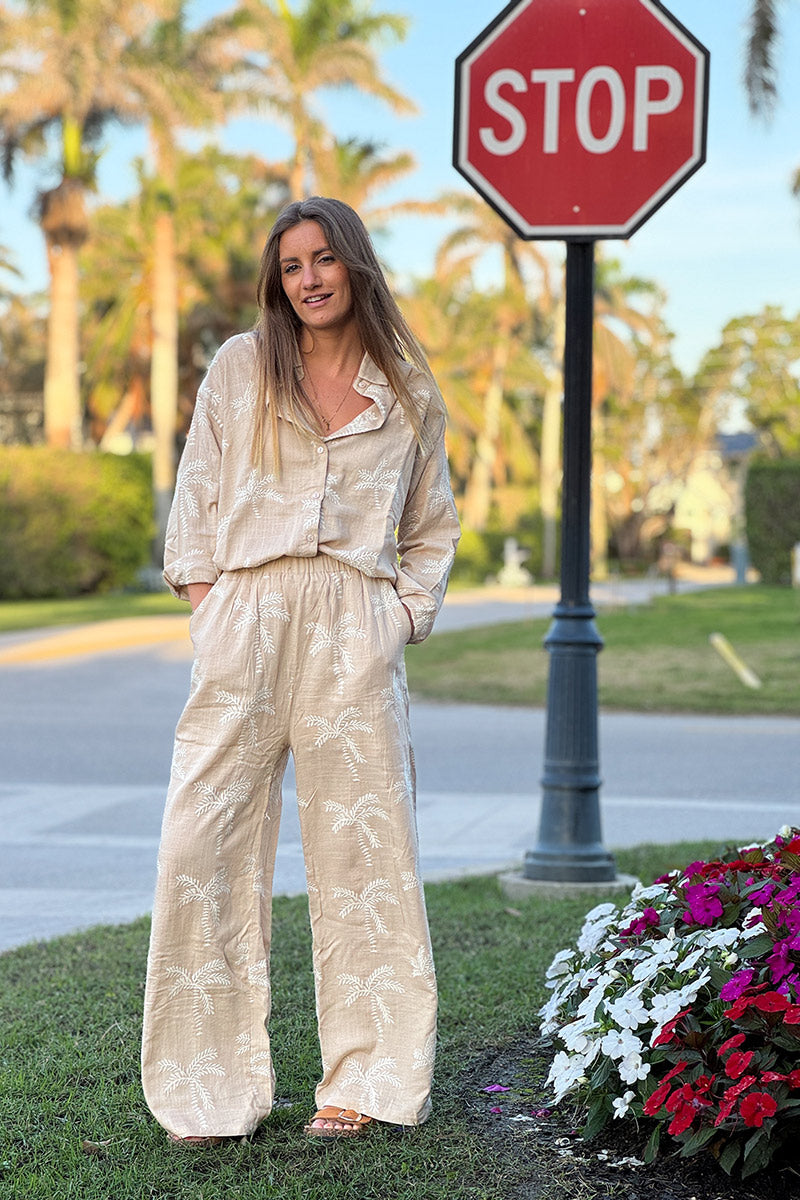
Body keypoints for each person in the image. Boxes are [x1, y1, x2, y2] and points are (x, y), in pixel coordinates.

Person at [140, 196, 461, 1144]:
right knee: (201, 847)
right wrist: (214, 613)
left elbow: (431, 526)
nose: (309, 279)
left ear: (354, 264)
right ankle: (207, 1088)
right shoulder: (241, 368)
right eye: (291, 266)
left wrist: (399, 615)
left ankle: (362, 1084)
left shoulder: (406, 386)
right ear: (276, 281)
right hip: (246, 617)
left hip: (354, 631)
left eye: (324, 259)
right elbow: (195, 499)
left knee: (366, 860)